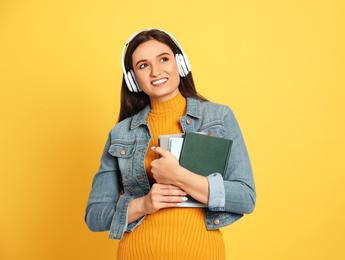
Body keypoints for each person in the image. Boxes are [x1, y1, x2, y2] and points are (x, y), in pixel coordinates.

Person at [85, 28, 256, 259]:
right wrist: (143, 204)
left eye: (163, 59)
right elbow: (95, 216)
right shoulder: (120, 133)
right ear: (132, 78)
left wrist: (178, 176)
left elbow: (245, 198)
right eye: (143, 65)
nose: (156, 71)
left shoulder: (218, 117)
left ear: (181, 64)